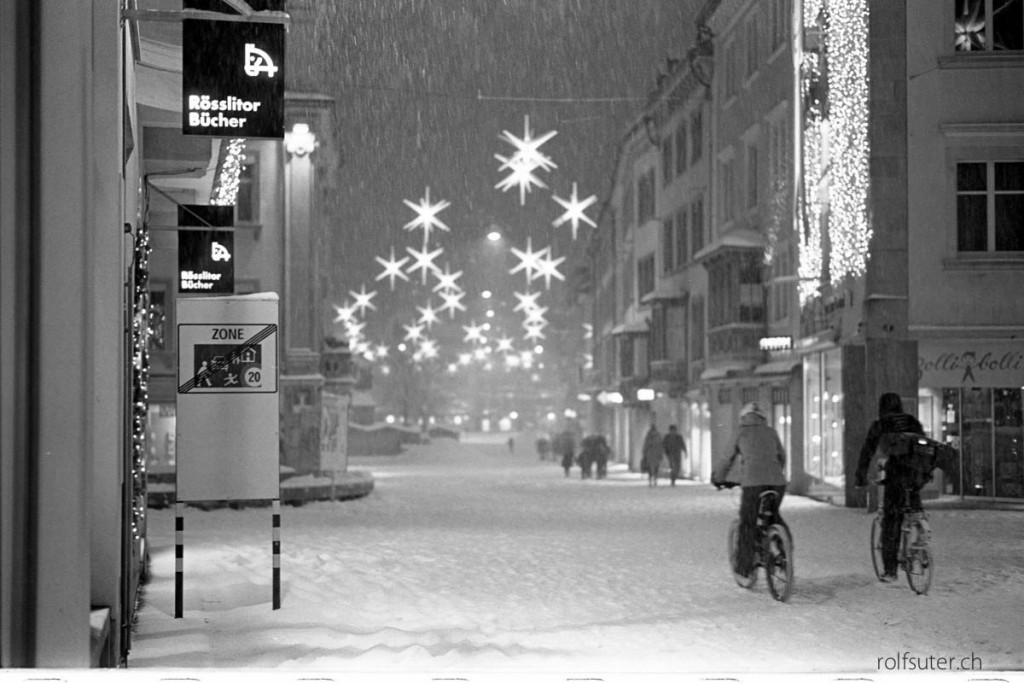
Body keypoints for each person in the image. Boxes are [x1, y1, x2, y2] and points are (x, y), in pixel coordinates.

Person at [855, 392, 925, 581]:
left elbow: (867, 451)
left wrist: (860, 477)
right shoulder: (912, 421)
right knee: (913, 509)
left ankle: (890, 570)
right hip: (915, 475)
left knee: (891, 521)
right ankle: (921, 536)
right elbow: (924, 444)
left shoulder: (881, 424)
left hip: (896, 475)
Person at [712, 402, 787, 578]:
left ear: (743, 418)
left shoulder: (741, 432)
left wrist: (719, 478)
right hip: (777, 483)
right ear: (762, 418)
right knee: (773, 515)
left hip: (753, 484)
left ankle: (745, 568)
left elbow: (726, 459)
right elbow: (781, 457)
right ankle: (784, 551)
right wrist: (774, 473)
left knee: (748, 522)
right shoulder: (771, 432)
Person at [641, 421, 663, 487]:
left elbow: (646, 445)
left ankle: (653, 479)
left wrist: (644, 452)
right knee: (653, 467)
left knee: (653, 467)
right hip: (652, 453)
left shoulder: (653, 436)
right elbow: (646, 445)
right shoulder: (652, 436)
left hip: (653, 453)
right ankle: (653, 479)